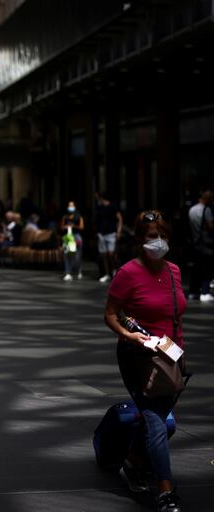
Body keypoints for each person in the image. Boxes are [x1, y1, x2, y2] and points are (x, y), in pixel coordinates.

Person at [104, 211, 186, 512]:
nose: (159, 242)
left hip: (171, 356)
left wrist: (178, 353)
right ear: (140, 240)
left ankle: (134, 460)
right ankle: (166, 492)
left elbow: (175, 313)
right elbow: (110, 313)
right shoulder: (128, 273)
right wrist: (129, 334)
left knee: (165, 424)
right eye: (153, 236)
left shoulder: (175, 270)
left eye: (163, 236)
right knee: (154, 420)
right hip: (137, 357)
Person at [187, 187, 213, 302]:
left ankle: (193, 291)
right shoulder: (206, 210)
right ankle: (205, 291)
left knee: (196, 268)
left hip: (195, 242)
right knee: (207, 268)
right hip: (205, 244)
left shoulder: (192, 209)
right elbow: (211, 227)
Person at [96, 192, 123, 283]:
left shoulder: (112, 207)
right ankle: (107, 274)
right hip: (101, 234)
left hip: (111, 233)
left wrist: (119, 231)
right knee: (104, 255)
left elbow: (120, 218)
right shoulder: (100, 208)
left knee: (111, 254)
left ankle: (114, 271)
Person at [60, 201, 85, 281]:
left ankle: (78, 271)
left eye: (72, 205)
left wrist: (74, 226)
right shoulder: (65, 216)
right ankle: (68, 272)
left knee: (77, 255)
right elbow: (61, 227)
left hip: (76, 236)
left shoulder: (79, 216)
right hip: (67, 237)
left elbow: (82, 227)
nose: (70, 207)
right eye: (69, 205)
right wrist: (66, 226)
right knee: (67, 254)